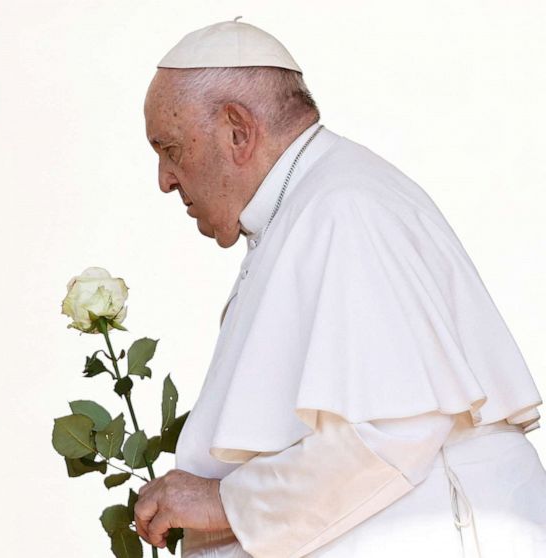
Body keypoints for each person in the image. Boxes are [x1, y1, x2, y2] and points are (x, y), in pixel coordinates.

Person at [134, 19, 546, 558]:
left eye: (170, 148)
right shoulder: (310, 204)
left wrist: (222, 503)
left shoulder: (345, 206)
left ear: (238, 130)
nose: (165, 179)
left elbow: (392, 434)